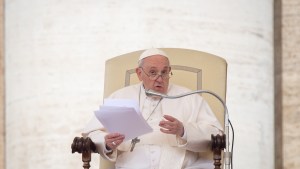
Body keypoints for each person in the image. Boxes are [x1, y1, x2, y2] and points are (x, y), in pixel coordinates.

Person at [82, 48, 223, 169]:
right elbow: (91, 133)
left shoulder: (190, 98)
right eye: (153, 72)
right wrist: (106, 142)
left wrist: (184, 130)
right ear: (139, 73)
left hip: (181, 165)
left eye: (164, 72)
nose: (160, 79)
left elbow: (215, 133)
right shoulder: (120, 97)